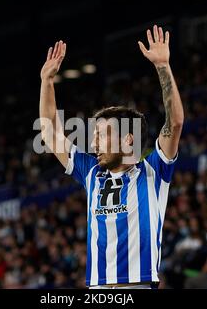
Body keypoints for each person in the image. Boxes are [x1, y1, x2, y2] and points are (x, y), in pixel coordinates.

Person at [38, 25, 184, 288]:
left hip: (137, 285)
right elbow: (49, 132)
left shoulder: (153, 171)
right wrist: (46, 82)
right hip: (97, 287)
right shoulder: (91, 172)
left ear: (128, 139)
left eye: (102, 135)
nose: (93, 143)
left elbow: (174, 124)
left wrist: (163, 66)